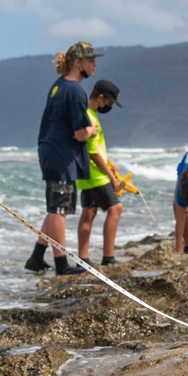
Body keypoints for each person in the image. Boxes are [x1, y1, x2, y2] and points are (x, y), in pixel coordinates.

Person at [24, 41, 100, 275]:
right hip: (61, 155)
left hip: (51, 150)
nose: (94, 65)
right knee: (59, 210)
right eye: (90, 60)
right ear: (78, 63)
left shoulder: (58, 86)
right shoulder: (76, 90)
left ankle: (37, 257)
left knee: (55, 207)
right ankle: (61, 265)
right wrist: (92, 130)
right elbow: (79, 134)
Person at [76, 79, 124, 266]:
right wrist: (112, 178)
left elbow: (96, 149)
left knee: (89, 211)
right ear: (101, 97)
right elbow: (93, 153)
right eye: (109, 103)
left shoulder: (89, 115)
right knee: (115, 208)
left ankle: (83, 258)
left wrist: (110, 163)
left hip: (87, 174)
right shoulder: (89, 117)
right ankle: (108, 257)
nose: (109, 106)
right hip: (96, 175)